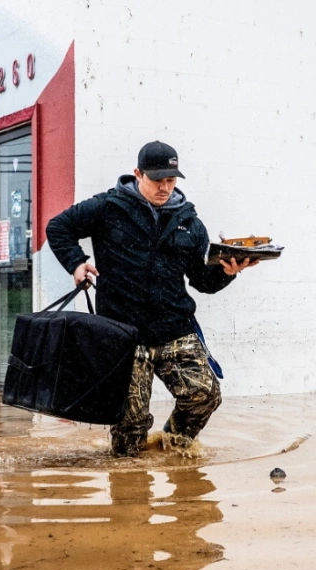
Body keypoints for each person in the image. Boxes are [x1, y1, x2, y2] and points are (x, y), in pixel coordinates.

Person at [46, 141, 258, 457]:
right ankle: (129, 491)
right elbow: (58, 227)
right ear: (137, 174)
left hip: (175, 328)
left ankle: (172, 445)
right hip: (123, 333)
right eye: (156, 179)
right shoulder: (107, 208)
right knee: (130, 426)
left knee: (205, 394)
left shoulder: (190, 222)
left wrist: (229, 271)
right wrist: (76, 263)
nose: (164, 187)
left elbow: (201, 282)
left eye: (171, 180)